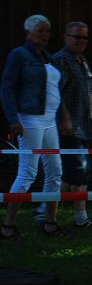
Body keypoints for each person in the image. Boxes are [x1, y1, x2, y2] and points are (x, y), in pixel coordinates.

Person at [1, 14, 72, 239]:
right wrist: (13, 119)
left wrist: (64, 116)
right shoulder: (19, 55)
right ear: (28, 32)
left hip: (50, 121)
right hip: (29, 120)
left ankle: (49, 221)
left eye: (47, 31)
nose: (45, 35)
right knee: (28, 173)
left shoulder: (48, 57)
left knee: (55, 172)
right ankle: (8, 225)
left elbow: (55, 91)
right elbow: (7, 88)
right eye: (40, 30)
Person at [34, 22, 92, 228]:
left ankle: (42, 208)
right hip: (68, 127)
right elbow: (55, 93)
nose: (81, 41)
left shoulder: (82, 60)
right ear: (66, 37)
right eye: (77, 37)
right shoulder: (60, 60)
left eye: (84, 38)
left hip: (85, 126)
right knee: (79, 172)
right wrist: (65, 118)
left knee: (71, 174)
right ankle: (80, 218)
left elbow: (90, 92)